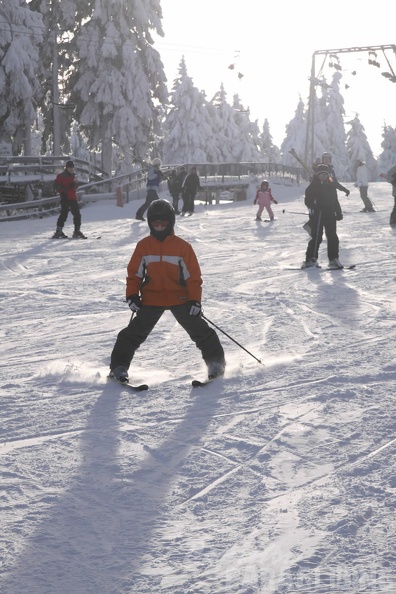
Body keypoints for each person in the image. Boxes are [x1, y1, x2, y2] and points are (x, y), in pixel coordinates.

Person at [109, 199, 226, 383]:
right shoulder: (144, 246)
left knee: (201, 331)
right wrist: (132, 295)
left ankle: (215, 363)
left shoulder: (182, 247)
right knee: (131, 335)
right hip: (151, 298)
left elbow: (193, 277)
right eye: (155, 222)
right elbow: (134, 274)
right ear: (150, 223)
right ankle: (119, 367)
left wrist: (195, 300)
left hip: (180, 297)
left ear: (171, 222)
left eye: (164, 222)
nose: (160, 226)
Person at [302, 164, 344, 269]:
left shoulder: (331, 185)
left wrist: (338, 212)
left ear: (328, 175)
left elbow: (335, 201)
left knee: (332, 236)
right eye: (321, 175)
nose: (323, 177)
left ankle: (333, 259)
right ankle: (311, 258)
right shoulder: (313, 186)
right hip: (318, 214)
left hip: (330, 213)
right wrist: (313, 206)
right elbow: (308, 200)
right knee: (317, 237)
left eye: (325, 175)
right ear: (317, 175)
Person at [52, 160, 86, 239]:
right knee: (64, 214)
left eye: (72, 167)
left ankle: (77, 231)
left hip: (73, 197)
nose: (71, 169)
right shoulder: (61, 176)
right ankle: (58, 231)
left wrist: (75, 184)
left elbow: (76, 186)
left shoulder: (74, 176)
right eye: (69, 167)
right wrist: (63, 189)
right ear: (66, 168)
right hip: (65, 197)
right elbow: (55, 185)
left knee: (77, 214)